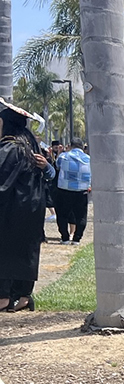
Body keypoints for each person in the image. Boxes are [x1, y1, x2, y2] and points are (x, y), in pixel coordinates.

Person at [0, 98, 55, 312]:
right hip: (31, 209)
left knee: (5, 251)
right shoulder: (29, 146)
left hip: (12, 209)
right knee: (25, 251)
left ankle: (4, 297)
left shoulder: (10, 148)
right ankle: (22, 296)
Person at [54, 137, 90, 245]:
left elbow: (57, 166)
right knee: (81, 216)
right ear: (82, 147)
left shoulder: (64, 156)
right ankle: (76, 239)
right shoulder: (89, 159)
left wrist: (60, 152)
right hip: (81, 190)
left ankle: (65, 237)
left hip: (64, 190)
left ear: (70, 145)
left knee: (62, 214)